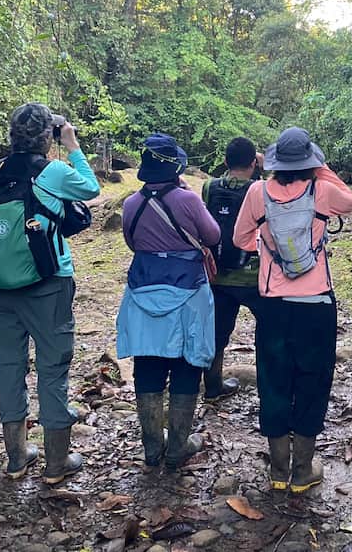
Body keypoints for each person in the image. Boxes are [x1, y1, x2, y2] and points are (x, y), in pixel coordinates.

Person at [0, 103, 100, 482]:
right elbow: (91, 187)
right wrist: (72, 145)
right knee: (52, 369)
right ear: (48, 136)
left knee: (8, 368)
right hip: (50, 281)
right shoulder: (54, 170)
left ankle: (16, 457)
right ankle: (56, 464)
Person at [233, 127, 352, 493]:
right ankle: (303, 470)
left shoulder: (257, 192)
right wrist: (322, 169)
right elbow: (350, 201)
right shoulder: (323, 191)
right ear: (311, 161)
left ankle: (277, 469)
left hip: (272, 305)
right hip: (316, 303)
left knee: (272, 381)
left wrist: (270, 248)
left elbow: (240, 240)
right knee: (313, 380)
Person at [118, 133, 219, 472]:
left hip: (143, 288)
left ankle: (151, 448)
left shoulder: (131, 203)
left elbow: (132, 242)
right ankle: (177, 447)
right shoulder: (188, 201)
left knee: (147, 361)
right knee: (187, 363)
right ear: (176, 166)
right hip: (188, 290)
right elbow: (213, 236)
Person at [200, 137, 263, 401]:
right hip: (254, 275)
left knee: (216, 334)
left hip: (218, 275)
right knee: (267, 330)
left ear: (225, 161)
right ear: (253, 162)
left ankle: (213, 387)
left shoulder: (209, 186)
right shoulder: (261, 189)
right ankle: (269, 388)